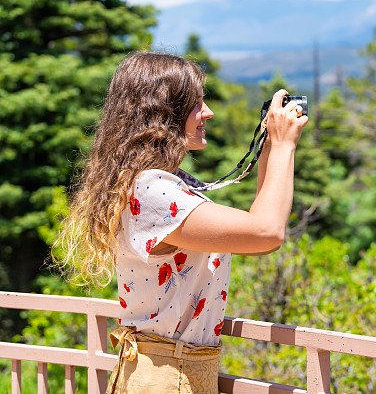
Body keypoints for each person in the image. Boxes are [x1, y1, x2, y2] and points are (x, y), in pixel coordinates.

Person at [56, 51, 307, 393]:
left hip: (170, 372)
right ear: (163, 114)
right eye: (196, 104)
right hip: (167, 377)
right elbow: (267, 233)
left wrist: (269, 147)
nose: (208, 113)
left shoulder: (152, 184)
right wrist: (284, 146)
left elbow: (256, 232)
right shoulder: (152, 191)